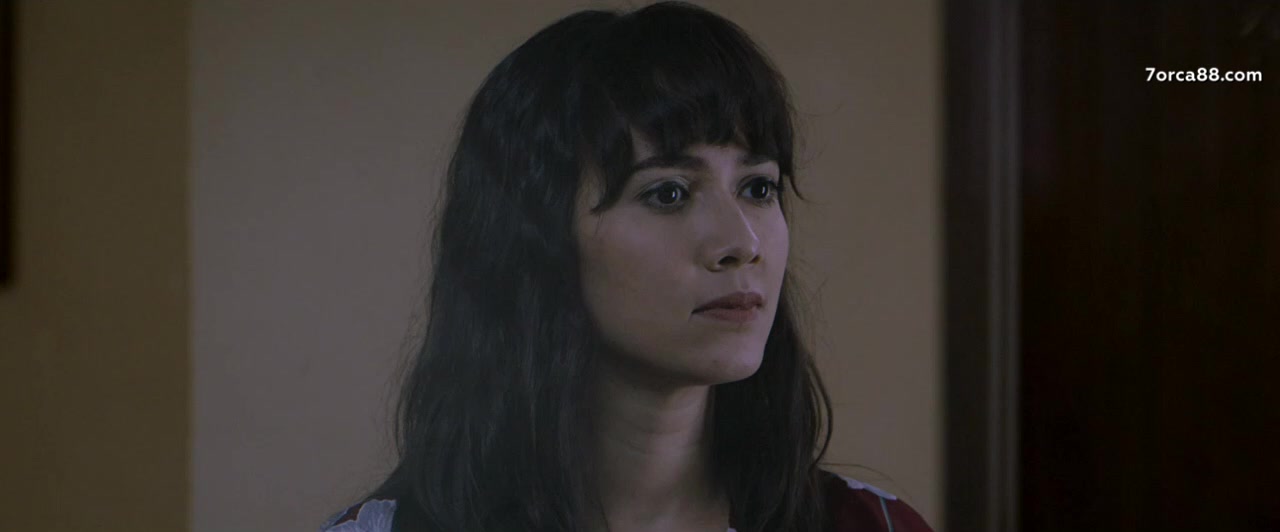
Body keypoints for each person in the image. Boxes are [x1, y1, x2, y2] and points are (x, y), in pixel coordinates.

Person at [320, 2, 933, 531]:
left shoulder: (870, 525)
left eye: (758, 188)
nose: (742, 242)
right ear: (537, 239)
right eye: (668, 193)